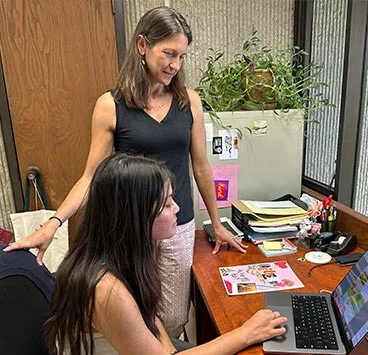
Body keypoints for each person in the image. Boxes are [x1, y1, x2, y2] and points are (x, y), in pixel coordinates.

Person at [4, 6, 246, 338]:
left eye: (182, 56)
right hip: (130, 228)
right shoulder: (111, 105)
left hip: (179, 223)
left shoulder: (189, 101)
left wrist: (216, 223)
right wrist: (54, 223)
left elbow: (201, 167)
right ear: (143, 45)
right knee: (137, 313)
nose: (175, 65)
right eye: (169, 54)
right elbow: (92, 176)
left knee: (174, 313)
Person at [45, 153, 287, 355]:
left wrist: (171, 350)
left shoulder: (127, 251)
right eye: (167, 203)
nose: (177, 208)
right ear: (136, 215)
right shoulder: (106, 289)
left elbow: (145, 313)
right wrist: (246, 332)